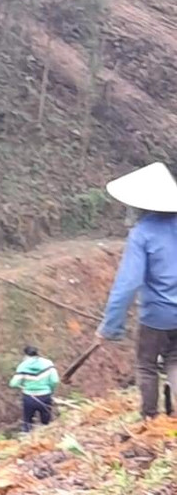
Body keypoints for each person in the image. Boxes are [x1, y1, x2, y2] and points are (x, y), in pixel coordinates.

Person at [96, 160, 177, 418]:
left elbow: (128, 283)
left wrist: (110, 327)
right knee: (175, 361)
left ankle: (150, 418)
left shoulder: (142, 233)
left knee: (146, 366)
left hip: (157, 316)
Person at [10, 344, 59, 431]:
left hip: (29, 398)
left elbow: (13, 383)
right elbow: (55, 380)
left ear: (25, 355)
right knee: (46, 424)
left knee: (27, 423)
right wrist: (50, 389)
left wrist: (22, 386)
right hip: (45, 396)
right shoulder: (48, 363)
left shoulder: (22, 366)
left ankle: (26, 440)